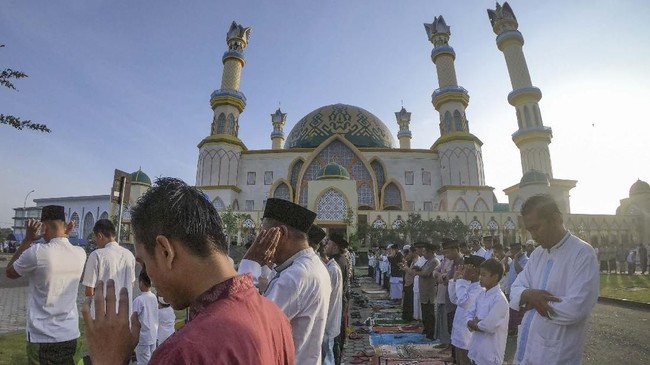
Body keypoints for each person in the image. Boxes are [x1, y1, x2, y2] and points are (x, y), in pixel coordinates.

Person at [82, 177, 295, 365]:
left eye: (145, 263)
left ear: (166, 251)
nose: (149, 276)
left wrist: (108, 360)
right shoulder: (275, 316)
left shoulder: (182, 352)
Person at [238, 198, 331, 364]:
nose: (258, 240)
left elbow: (248, 327)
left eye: (263, 233)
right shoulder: (309, 265)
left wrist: (249, 264)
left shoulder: (297, 275)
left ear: (280, 233)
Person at [510, 194, 599, 365]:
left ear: (556, 218)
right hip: (527, 351)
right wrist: (528, 294)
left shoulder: (581, 253)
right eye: (529, 229)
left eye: (536, 228)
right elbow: (516, 287)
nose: (533, 235)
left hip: (556, 355)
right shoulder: (537, 254)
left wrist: (533, 301)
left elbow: (576, 309)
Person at [5, 205, 86, 365]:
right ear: (65, 225)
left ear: (44, 227)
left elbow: (10, 272)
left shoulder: (36, 253)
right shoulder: (80, 253)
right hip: (71, 334)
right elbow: (62, 248)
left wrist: (27, 239)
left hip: (42, 337)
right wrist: (64, 235)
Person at [82, 218, 136, 316]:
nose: (95, 242)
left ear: (100, 236)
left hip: (102, 317)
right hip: (125, 316)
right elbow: (132, 284)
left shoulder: (97, 255)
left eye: (95, 239)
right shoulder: (129, 255)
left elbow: (89, 290)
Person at [466, 258, 509, 365]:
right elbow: (469, 313)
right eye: (480, 274)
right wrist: (472, 322)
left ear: (494, 276)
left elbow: (489, 326)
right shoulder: (481, 295)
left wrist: (475, 324)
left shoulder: (500, 299)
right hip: (477, 348)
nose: (480, 277)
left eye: (484, 275)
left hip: (490, 352)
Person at [312, 226, 342, 365]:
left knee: (328, 358)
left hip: (328, 322)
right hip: (329, 321)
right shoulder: (331, 267)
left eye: (329, 243)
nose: (327, 245)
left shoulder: (332, 269)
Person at [448, 255, 485, 365]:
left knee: (465, 360)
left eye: (465, 268)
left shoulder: (480, 288)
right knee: (459, 359)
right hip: (459, 330)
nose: (462, 270)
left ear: (475, 270)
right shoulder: (468, 284)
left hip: (467, 334)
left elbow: (464, 302)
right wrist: (455, 280)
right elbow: (454, 299)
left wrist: (462, 280)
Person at [403, 242, 440, 340]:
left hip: (429, 291)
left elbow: (425, 273)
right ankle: (426, 330)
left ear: (430, 252)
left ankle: (431, 334)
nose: (423, 254)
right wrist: (418, 269)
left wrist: (417, 272)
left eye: (424, 251)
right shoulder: (428, 261)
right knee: (425, 312)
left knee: (430, 313)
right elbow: (422, 270)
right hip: (424, 290)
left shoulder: (434, 261)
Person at [433, 238, 464, 351]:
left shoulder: (462, 262)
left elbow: (449, 279)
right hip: (449, 297)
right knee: (451, 326)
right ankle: (453, 352)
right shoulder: (452, 261)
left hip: (458, 299)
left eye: (448, 252)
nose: (446, 255)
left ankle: (454, 352)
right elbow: (444, 276)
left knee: (457, 328)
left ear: (456, 250)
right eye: (444, 252)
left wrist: (443, 277)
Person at [133, 270, 158, 364]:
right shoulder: (154, 297)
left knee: (143, 361)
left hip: (143, 337)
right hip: (153, 334)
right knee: (152, 360)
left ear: (141, 283)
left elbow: (133, 317)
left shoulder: (139, 300)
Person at [505, 243, 528, 334]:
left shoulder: (526, 260)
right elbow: (506, 270)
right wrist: (506, 258)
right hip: (510, 290)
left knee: (518, 313)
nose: (511, 252)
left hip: (519, 292)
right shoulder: (513, 261)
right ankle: (513, 330)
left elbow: (520, 272)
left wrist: (515, 259)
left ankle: (517, 331)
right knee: (511, 313)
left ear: (519, 250)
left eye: (513, 250)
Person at [411, 243, 427, 321]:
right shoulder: (419, 259)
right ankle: (417, 319)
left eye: (417, 250)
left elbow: (424, 272)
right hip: (416, 283)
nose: (416, 251)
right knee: (416, 302)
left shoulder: (426, 259)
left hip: (423, 285)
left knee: (421, 304)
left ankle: (421, 321)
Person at [401, 245, 415, 321]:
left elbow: (412, 272)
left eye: (410, 252)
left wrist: (406, 267)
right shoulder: (412, 260)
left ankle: (410, 317)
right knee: (407, 300)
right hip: (407, 282)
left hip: (411, 283)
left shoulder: (415, 260)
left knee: (410, 301)